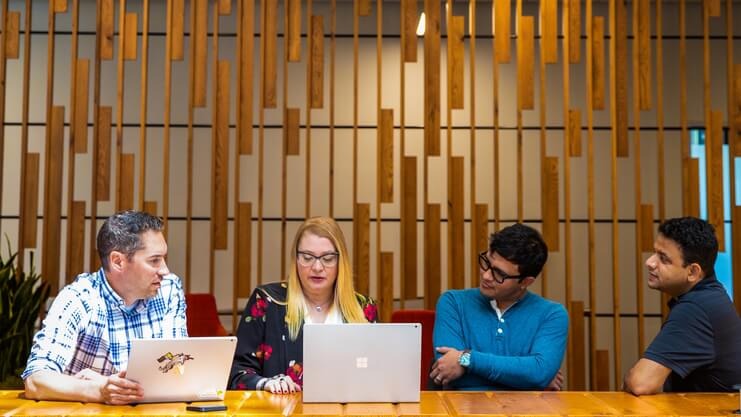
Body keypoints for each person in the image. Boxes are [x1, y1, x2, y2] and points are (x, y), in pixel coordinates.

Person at [22, 211, 187, 404]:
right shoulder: (79, 299)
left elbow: (177, 369)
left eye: (163, 258)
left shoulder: (168, 289)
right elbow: (35, 381)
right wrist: (99, 389)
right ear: (118, 261)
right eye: (154, 260)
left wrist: (104, 382)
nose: (165, 270)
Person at [229, 216, 378, 394]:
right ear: (295, 259)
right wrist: (265, 384)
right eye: (307, 257)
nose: (317, 267)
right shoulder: (267, 302)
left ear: (341, 262)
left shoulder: (363, 308)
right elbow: (236, 373)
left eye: (328, 258)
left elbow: (378, 374)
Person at [430, 223, 568, 390]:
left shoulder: (552, 314)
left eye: (499, 273)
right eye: (486, 263)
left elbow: (538, 373)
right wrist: (525, 377)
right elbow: (448, 369)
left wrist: (466, 358)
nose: (487, 276)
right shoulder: (453, 302)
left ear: (525, 282)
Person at [623, 217, 741, 395]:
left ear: (693, 272)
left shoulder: (696, 308)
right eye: (655, 253)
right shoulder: (711, 296)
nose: (650, 262)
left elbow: (640, 383)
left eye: (663, 258)